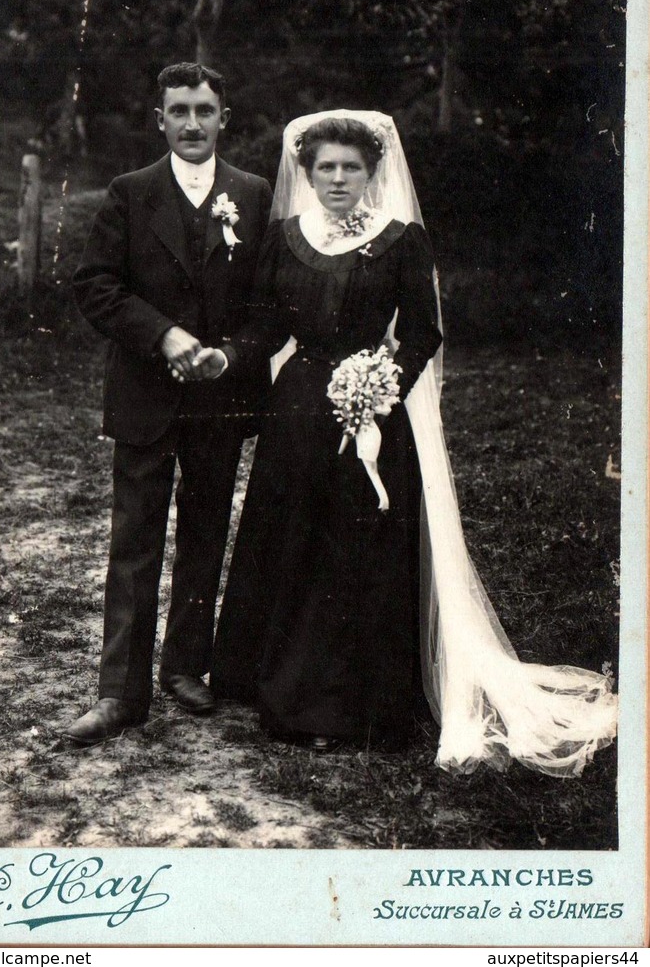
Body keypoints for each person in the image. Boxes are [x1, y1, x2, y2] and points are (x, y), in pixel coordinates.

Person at [212, 110, 618, 775]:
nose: (338, 178)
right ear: (308, 175)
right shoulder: (285, 238)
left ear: (371, 172)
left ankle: (340, 705)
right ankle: (266, 676)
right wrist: (231, 358)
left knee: (353, 553)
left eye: (350, 167)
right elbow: (262, 323)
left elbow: (424, 332)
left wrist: (380, 384)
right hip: (298, 413)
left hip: (371, 414)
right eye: (326, 168)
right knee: (292, 539)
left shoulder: (400, 240)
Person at [66, 62, 273, 744]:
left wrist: (231, 356)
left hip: (219, 398)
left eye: (204, 111)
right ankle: (119, 692)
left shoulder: (253, 192)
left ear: (224, 118)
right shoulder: (130, 193)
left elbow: (270, 306)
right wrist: (165, 335)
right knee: (134, 542)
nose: (191, 123)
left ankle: (186, 667)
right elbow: (95, 286)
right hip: (145, 399)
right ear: (160, 119)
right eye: (179, 111)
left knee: (207, 531)